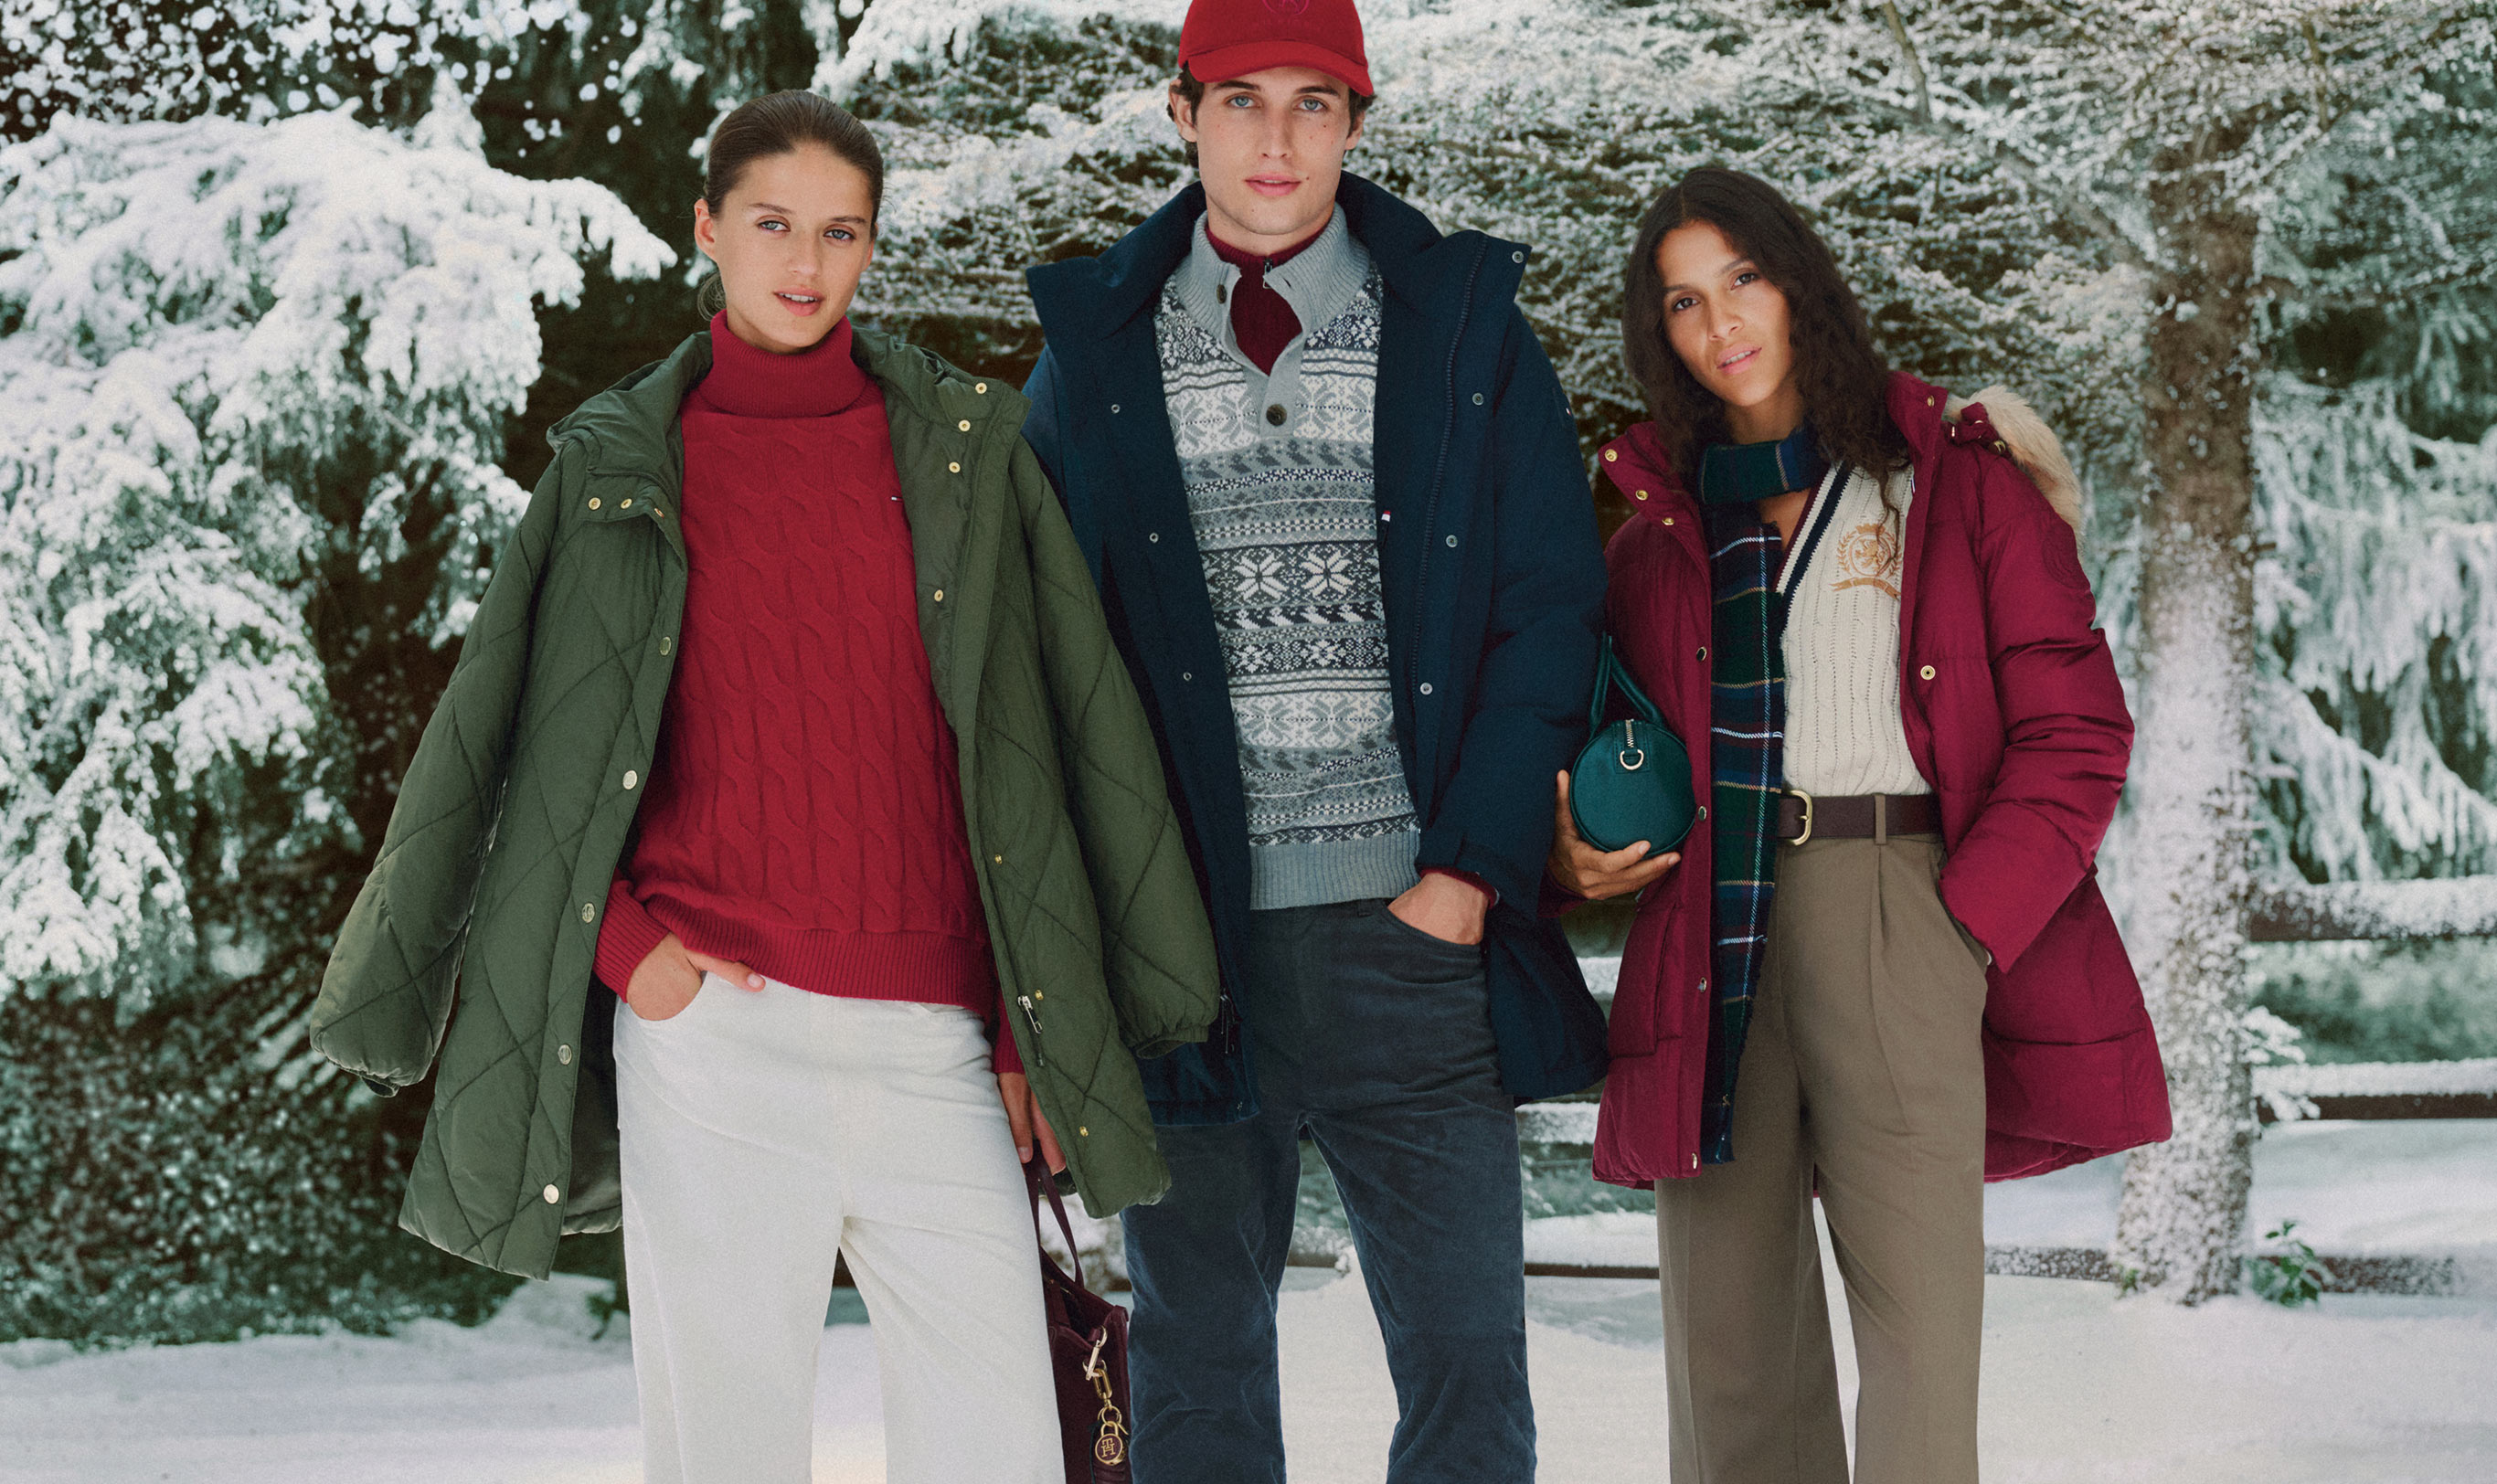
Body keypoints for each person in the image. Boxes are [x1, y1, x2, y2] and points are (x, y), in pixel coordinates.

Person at [309, 90, 1221, 1484]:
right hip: (717, 1039)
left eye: (841, 231)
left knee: (1003, 1445)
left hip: (934, 1040)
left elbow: (1052, 737)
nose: (806, 262)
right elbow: (515, 748)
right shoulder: (621, 465)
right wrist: (632, 956)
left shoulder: (965, 457)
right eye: (773, 224)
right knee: (723, 1450)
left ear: (870, 248)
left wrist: (1030, 1025)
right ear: (709, 229)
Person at [1018, 0, 1609, 1478]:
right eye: (1239, 101)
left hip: (1414, 943)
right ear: (1181, 114)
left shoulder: (1461, 327)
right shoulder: (1095, 355)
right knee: (1200, 1382)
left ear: (1356, 120)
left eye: (1311, 103)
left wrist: (1465, 874)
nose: (1275, 139)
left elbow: (1547, 614)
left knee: (1470, 1373)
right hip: (1188, 957)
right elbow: (1036, 666)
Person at [1550, 165, 2171, 1484]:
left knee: (1918, 1346)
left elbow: (2077, 735)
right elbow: (1590, 747)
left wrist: (1964, 925)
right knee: (1730, 1351)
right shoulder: (1657, 536)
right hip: (1709, 933)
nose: (1721, 322)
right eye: (1682, 302)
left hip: (1902, 908)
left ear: (1798, 280)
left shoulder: (1949, 480)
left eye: (1743, 279)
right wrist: (1568, 856)